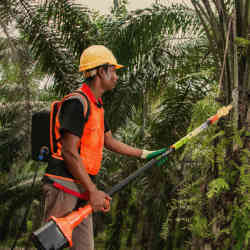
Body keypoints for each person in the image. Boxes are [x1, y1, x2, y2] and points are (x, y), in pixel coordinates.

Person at [42, 45, 153, 250]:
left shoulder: (97, 106)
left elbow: (109, 141)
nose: (117, 77)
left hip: (83, 187)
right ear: (101, 71)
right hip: (64, 185)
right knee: (50, 245)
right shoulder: (77, 102)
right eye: (114, 71)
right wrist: (93, 191)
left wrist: (144, 154)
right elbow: (69, 151)